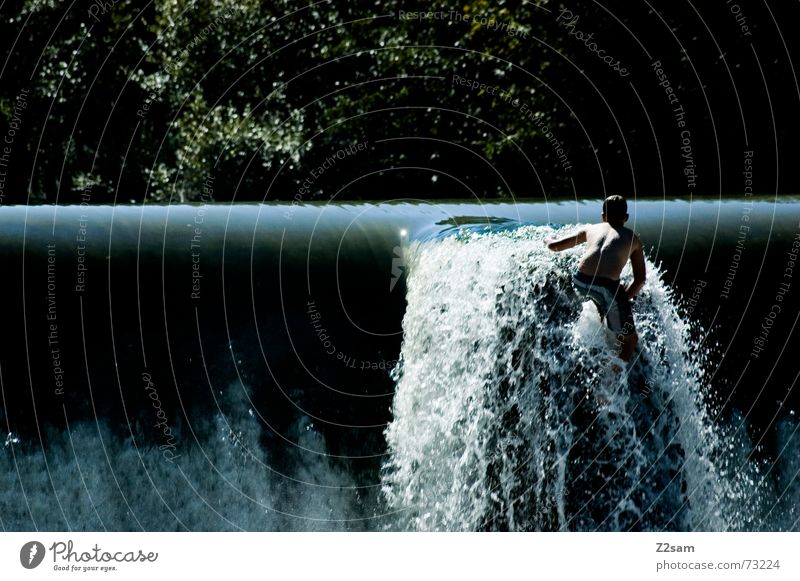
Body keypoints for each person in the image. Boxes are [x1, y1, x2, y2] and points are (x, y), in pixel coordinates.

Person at [546, 195, 646, 361]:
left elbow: (555, 246)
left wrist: (547, 239)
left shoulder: (591, 229)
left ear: (603, 216)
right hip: (605, 286)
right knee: (631, 339)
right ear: (626, 218)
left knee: (604, 300)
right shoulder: (633, 238)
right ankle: (613, 379)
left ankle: (607, 319)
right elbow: (640, 279)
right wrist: (622, 300)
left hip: (580, 280)